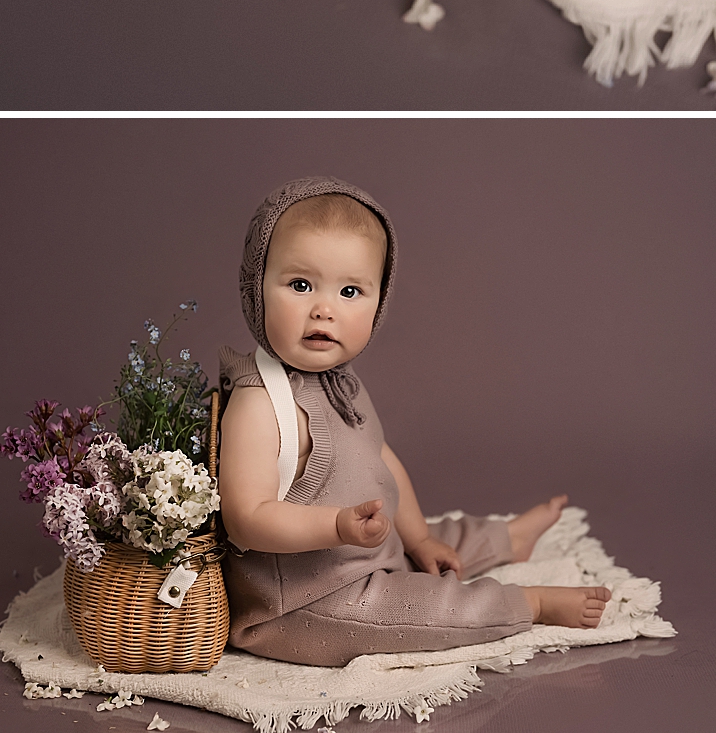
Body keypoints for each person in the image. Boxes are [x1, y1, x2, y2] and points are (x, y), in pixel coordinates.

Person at [215, 177, 608, 664]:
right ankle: (530, 602)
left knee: (436, 539)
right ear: (258, 288)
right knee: (422, 607)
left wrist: (418, 538)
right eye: (300, 285)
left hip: (363, 550)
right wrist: (337, 526)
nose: (324, 309)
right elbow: (247, 519)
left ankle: (508, 539)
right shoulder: (259, 401)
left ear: (379, 301)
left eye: (351, 291)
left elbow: (378, 457)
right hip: (307, 601)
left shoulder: (342, 381)